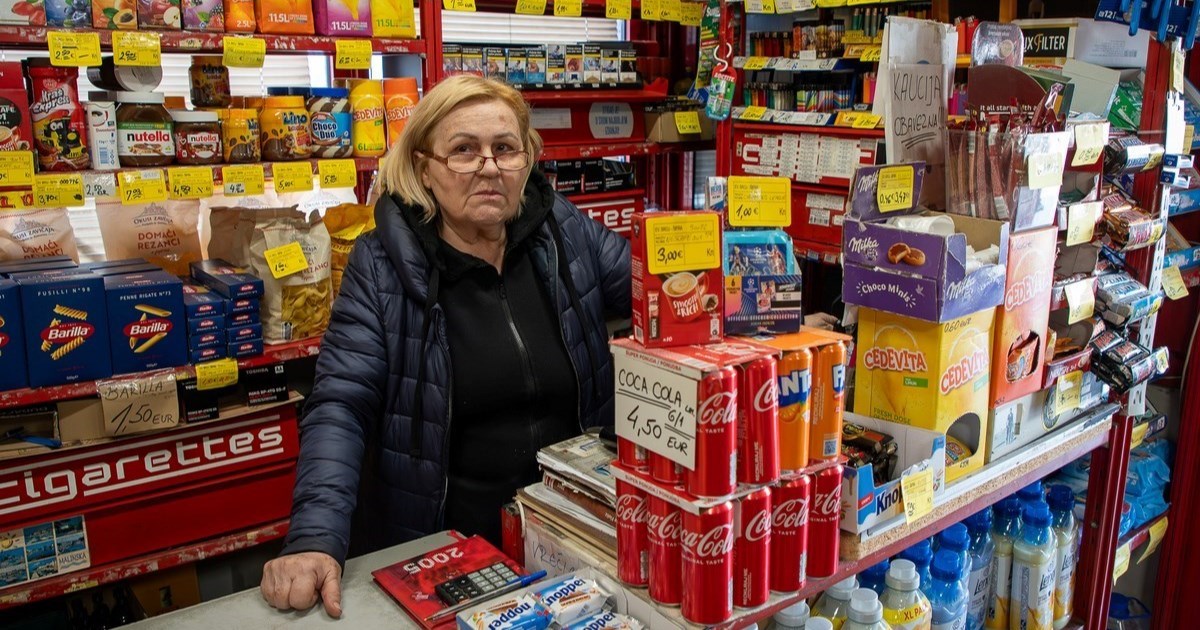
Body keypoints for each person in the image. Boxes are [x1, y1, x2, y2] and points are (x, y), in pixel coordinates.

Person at [260, 75, 631, 617]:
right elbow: (340, 403)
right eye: (463, 150)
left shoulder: (562, 231)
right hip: (452, 554)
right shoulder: (382, 265)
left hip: (575, 538)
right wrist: (314, 538)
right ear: (423, 168)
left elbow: (661, 294)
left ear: (527, 160)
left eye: (505, 148)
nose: (489, 166)